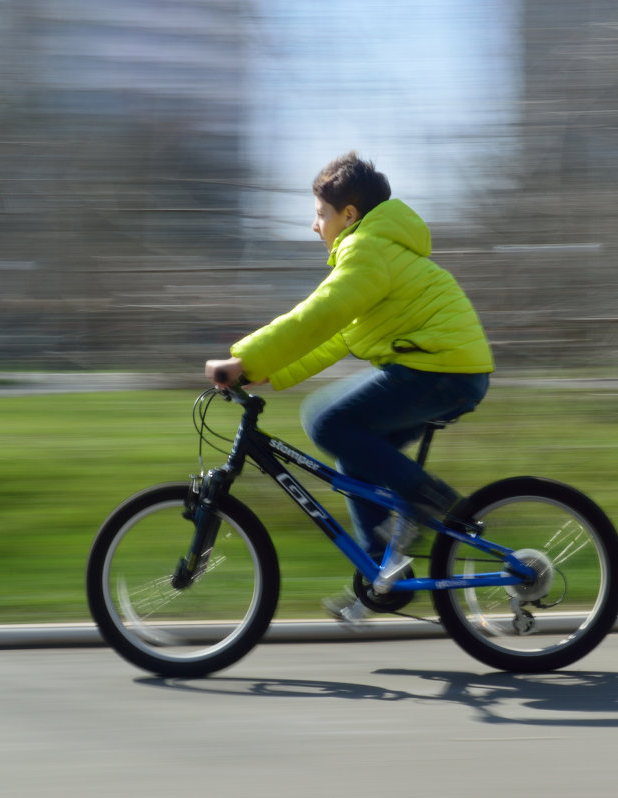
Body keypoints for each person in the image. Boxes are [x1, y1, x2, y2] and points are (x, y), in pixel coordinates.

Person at [205, 152, 494, 624]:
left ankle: (425, 497)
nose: (313, 225)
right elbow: (336, 336)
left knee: (326, 420)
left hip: (441, 371)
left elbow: (319, 315)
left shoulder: (368, 250)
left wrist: (244, 357)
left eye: (320, 213)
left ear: (349, 215)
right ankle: (388, 573)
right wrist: (268, 373)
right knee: (354, 455)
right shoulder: (376, 252)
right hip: (443, 370)